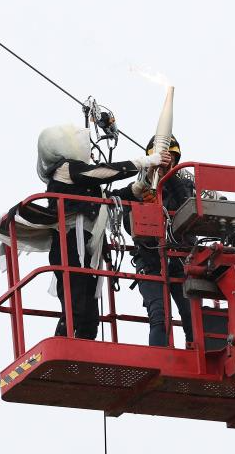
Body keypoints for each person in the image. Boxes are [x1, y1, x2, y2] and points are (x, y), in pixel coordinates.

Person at [36, 125, 160, 340]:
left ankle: (82, 349)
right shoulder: (66, 169)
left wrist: (136, 189)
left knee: (90, 313)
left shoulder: (81, 179)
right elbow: (103, 173)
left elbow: (106, 199)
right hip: (71, 243)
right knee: (75, 304)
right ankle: (62, 344)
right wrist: (143, 162)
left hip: (88, 246)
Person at [115, 135, 196, 347]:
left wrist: (170, 176)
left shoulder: (184, 185)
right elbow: (126, 223)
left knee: (192, 317)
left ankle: (195, 356)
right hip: (150, 262)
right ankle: (163, 359)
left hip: (181, 262)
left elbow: (188, 208)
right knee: (159, 315)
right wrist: (143, 201)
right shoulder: (137, 189)